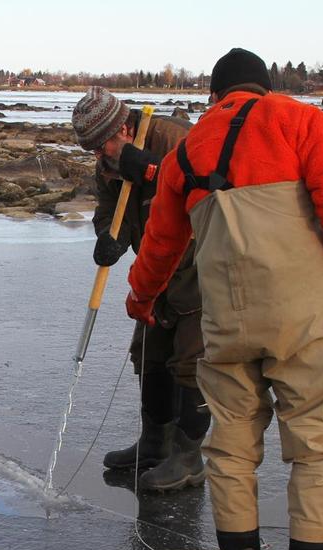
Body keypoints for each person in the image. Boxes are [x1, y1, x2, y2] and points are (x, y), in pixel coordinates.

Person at [124, 48, 323, 550]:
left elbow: (160, 246)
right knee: (317, 448)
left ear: (215, 96)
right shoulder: (299, 121)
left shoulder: (188, 151)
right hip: (304, 320)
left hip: (225, 325)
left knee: (231, 450)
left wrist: (141, 302)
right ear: (265, 87)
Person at [71, 87, 209, 492]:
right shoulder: (108, 162)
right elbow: (108, 212)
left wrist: (148, 168)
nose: (98, 157)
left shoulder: (176, 139)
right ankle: (154, 444)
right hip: (153, 268)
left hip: (199, 266)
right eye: (91, 151)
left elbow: (205, 189)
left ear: (125, 128)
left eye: (101, 146)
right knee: (147, 352)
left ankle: (188, 457)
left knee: (192, 359)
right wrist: (107, 238)